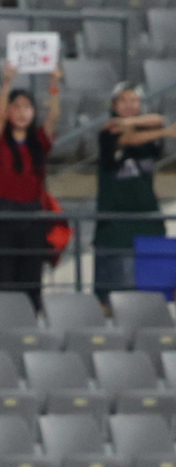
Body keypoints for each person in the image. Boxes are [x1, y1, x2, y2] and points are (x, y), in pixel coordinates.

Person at [0, 65, 62, 309]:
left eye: (27, 107)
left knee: (31, 278)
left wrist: (54, 86)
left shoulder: (39, 140)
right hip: (5, 214)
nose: (21, 112)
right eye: (16, 107)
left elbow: (53, 117)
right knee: (3, 276)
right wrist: (7, 81)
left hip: (33, 214)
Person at [95, 84, 173, 304]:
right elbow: (127, 139)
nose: (129, 105)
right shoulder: (107, 130)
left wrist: (131, 122)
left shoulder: (147, 131)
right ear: (113, 105)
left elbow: (158, 119)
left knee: (151, 297)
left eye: (134, 100)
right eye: (123, 100)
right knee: (115, 297)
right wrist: (165, 132)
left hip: (148, 223)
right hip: (116, 227)